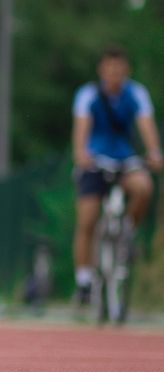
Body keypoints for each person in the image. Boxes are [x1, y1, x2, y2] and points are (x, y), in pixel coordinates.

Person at [71, 46, 163, 304]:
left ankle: (127, 233)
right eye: (110, 69)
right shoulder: (88, 94)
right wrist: (81, 153)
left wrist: (154, 152)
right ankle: (84, 280)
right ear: (102, 70)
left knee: (143, 188)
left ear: (126, 71)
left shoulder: (136, 93)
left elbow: (146, 124)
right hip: (95, 160)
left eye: (119, 70)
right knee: (87, 218)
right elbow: (81, 129)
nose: (114, 74)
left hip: (125, 158)